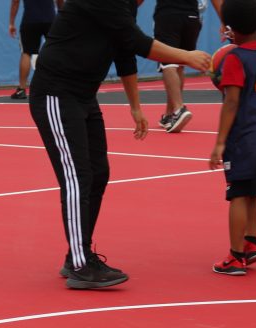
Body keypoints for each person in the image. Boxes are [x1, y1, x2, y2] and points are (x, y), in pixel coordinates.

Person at [29, 0, 210, 289]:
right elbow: (140, 43)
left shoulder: (124, 6)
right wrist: (187, 56)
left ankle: (77, 252)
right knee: (77, 177)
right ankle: (79, 264)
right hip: (56, 94)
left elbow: (126, 52)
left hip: (83, 96)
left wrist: (136, 107)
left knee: (98, 173)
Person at [208, 0, 256, 275]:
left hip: (246, 135)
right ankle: (251, 241)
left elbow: (231, 102)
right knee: (253, 191)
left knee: (238, 193)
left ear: (231, 29)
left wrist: (219, 143)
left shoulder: (234, 58)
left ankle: (236, 255)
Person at [154, 0, 203, 132]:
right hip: (192, 17)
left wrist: (129, 11)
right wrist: (223, 20)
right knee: (180, 63)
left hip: (168, 15)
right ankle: (169, 115)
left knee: (167, 62)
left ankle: (178, 109)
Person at [8, 0, 61, 100]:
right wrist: (62, 14)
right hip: (50, 19)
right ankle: (58, 86)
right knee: (55, 52)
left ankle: (22, 89)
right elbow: (60, 1)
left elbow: (15, 2)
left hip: (30, 20)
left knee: (27, 53)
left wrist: (11, 23)